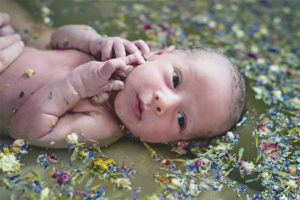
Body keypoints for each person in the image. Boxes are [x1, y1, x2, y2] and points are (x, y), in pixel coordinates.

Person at [0, 12, 246, 148]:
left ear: (175, 142)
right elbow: (58, 38)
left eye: (181, 119)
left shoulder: (103, 125)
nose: (164, 103)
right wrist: (95, 41)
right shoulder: (111, 54)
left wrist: (76, 86)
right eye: (175, 79)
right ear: (158, 53)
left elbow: (24, 130)